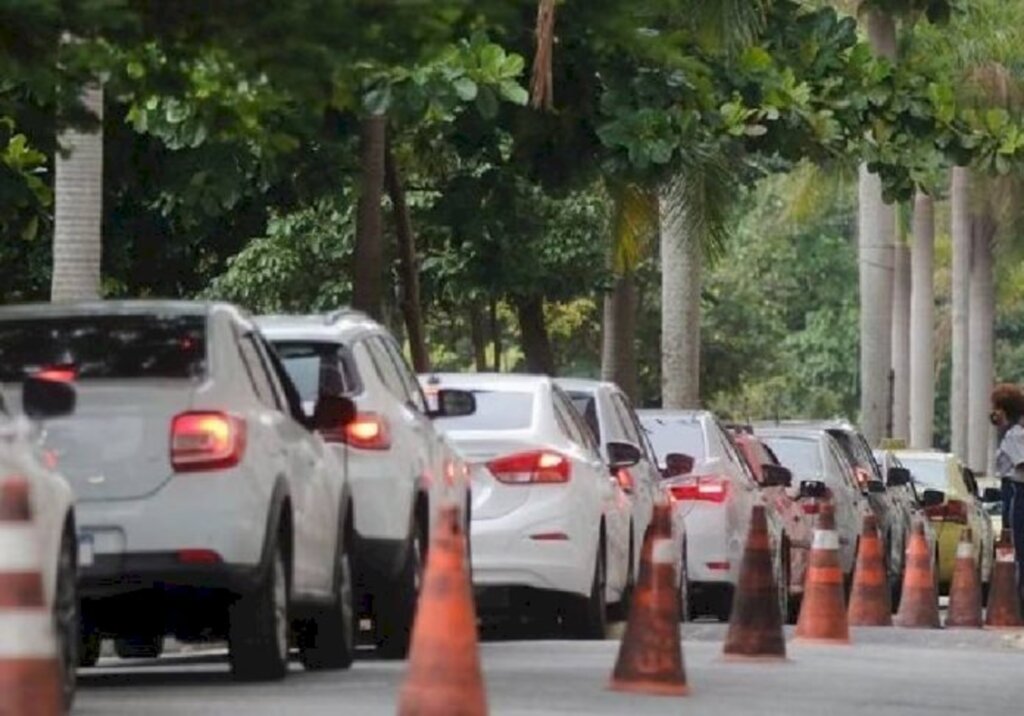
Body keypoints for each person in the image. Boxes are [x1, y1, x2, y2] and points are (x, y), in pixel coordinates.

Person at [991, 384, 1024, 599]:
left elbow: (1021, 464)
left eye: (996, 407)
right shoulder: (1010, 433)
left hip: (1017, 491)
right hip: (1013, 490)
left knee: (1017, 545)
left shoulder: (1015, 435)